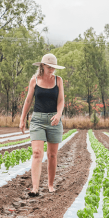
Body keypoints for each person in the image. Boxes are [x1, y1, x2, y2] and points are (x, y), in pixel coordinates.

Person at [19, 53, 65, 196]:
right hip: (37, 120)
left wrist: (58, 115)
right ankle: (35, 188)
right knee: (37, 153)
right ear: (42, 66)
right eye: (49, 67)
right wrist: (22, 119)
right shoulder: (34, 80)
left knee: (52, 155)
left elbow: (61, 100)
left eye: (53, 67)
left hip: (53, 120)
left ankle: (50, 185)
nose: (51, 69)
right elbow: (28, 101)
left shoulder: (58, 80)